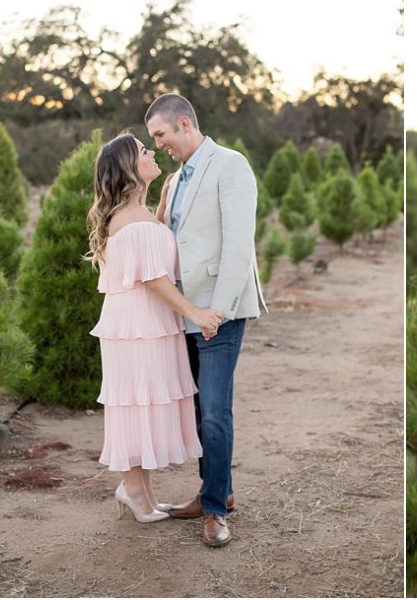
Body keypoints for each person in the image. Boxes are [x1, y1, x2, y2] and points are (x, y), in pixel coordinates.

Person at [145, 93, 266, 548]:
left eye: (161, 135)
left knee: (215, 411)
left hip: (221, 311)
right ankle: (218, 491)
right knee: (197, 410)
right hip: (187, 312)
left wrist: (219, 308)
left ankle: (214, 511)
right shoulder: (174, 181)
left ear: (183, 123)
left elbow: (239, 244)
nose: (159, 146)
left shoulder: (230, 165)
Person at [87, 133, 223, 523]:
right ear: (132, 167)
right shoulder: (131, 218)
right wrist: (195, 313)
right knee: (136, 402)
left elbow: (147, 251)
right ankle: (133, 491)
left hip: (142, 323)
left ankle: (140, 492)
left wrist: (160, 208)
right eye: (144, 151)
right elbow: (154, 278)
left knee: (142, 402)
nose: (152, 152)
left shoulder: (136, 215)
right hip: (139, 325)